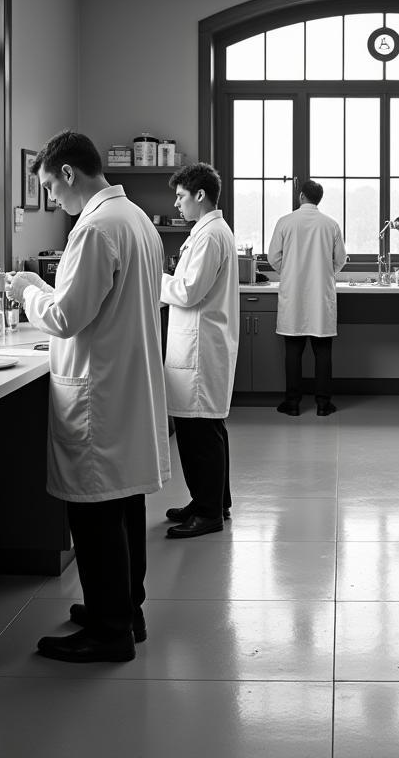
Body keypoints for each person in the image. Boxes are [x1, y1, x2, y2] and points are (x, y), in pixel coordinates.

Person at [6, 130, 170, 663]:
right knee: (123, 505)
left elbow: (65, 316)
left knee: (96, 514)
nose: (53, 197)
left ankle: (108, 630)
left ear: (69, 174)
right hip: (122, 383)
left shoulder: (95, 229)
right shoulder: (136, 219)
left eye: (51, 186)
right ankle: (126, 609)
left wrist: (26, 288)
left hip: (100, 391)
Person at [159, 163, 240, 539]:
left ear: (200, 196)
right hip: (200, 345)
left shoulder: (209, 236)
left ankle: (208, 513)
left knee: (199, 434)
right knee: (208, 429)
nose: (177, 204)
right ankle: (212, 501)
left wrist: (153, 278)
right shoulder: (208, 232)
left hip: (200, 348)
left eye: (180, 197)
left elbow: (189, 291)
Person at [267, 179, 348, 417]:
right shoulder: (330, 224)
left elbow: (273, 257)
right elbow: (340, 259)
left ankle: (292, 403)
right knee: (323, 353)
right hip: (321, 296)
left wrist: (290, 271)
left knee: (293, 352)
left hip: (293, 295)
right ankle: (323, 404)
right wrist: (324, 272)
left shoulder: (285, 222)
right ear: (318, 198)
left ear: (301, 196)